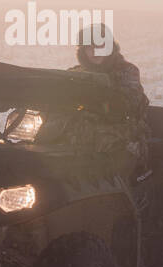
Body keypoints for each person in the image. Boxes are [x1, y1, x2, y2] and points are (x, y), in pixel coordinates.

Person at [39, 24, 150, 178]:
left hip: (120, 139)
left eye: (100, 46)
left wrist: (96, 98)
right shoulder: (75, 73)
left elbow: (127, 105)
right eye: (88, 47)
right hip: (78, 138)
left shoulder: (127, 72)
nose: (94, 52)